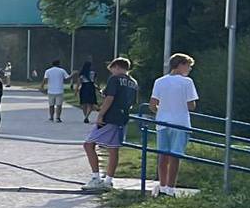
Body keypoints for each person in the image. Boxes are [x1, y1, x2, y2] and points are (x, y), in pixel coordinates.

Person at [84, 58, 140, 190]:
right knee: (113, 148)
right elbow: (133, 102)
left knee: (88, 144)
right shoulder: (133, 82)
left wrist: (101, 114)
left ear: (116, 67)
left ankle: (96, 178)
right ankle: (108, 180)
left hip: (109, 117)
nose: (112, 72)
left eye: (112, 69)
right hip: (123, 118)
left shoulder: (114, 79)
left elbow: (110, 98)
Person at [149, 53, 199, 196]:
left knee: (163, 156)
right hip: (180, 122)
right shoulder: (187, 82)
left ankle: (163, 186)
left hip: (163, 121)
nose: (189, 69)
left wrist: (162, 111)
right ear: (181, 65)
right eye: (188, 66)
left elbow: (153, 105)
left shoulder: (159, 81)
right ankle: (171, 188)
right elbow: (191, 105)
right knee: (175, 156)